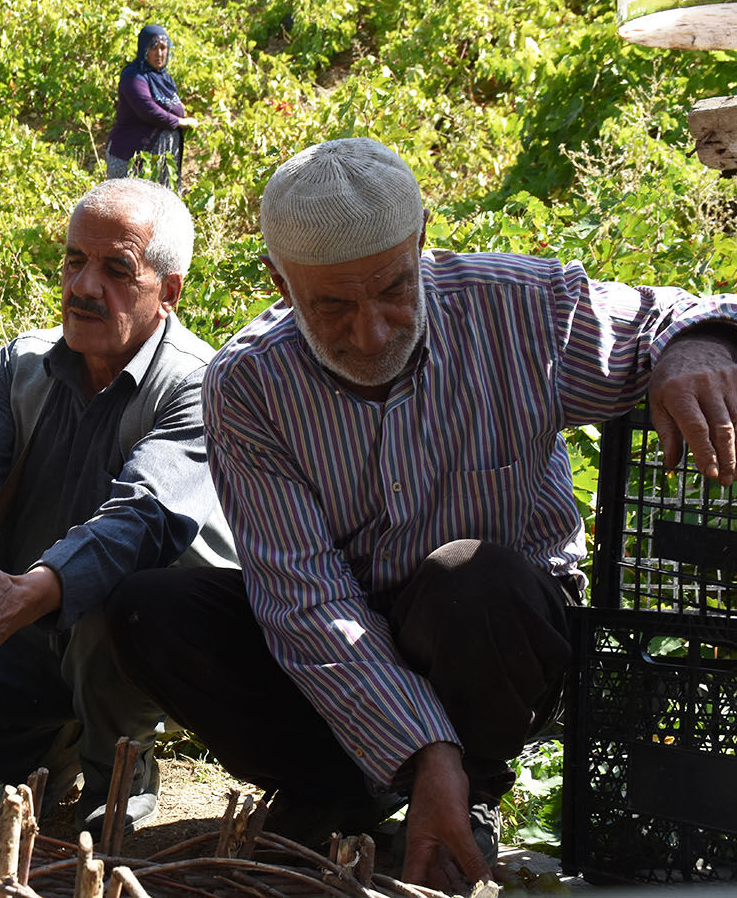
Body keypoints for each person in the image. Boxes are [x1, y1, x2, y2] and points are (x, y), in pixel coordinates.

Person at [106, 137, 737, 892]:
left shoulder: (521, 311)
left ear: (421, 242)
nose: (371, 332)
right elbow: (307, 600)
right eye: (332, 305)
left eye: (394, 290)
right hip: (349, 634)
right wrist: (423, 751)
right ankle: (344, 792)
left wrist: (696, 350)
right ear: (279, 281)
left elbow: (684, 316)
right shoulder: (249, 386)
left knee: (468, 578)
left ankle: (473, 788)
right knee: (151, 609)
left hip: (495, 638)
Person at [0, 177, 237, 839]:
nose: (85, 286)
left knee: (118, 599)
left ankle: (119, 766)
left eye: (117, 269)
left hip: (148, 652)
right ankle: (42, 758)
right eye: (74, 261)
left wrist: (36, 590)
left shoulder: (200, 385)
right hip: (27, 630)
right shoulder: (24, 368)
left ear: (169, 291)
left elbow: (140, 521)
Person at [106, 25, 199, 190]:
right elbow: (148, 110)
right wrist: (179, 122)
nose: (159, 53)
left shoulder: (164, 79)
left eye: (163, 48)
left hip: (163, 158)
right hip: (131, 159)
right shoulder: (133, 76)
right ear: (144, 50)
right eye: (154, 48)